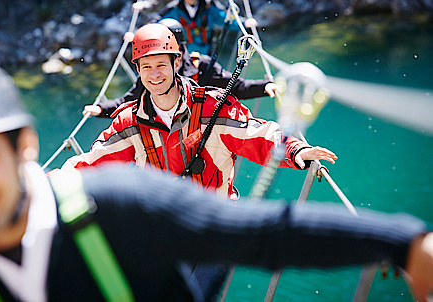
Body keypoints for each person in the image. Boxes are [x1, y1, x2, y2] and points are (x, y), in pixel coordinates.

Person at [0, 55, 432, 302]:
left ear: (25, 148)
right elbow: (102, 150)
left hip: (193, 209)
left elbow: (262, 232)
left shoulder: (121, 206)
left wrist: (402, 242)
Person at [65, 23, 336, 200]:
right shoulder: (130, 123)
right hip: (162, 229)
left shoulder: (212, 108)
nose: (155, 74)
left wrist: (295, 150)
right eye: (146, 67)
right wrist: (46, 186)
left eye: (161, 64)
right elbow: (92, 162)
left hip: (213, 224)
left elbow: (256, 134)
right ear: (138, 71)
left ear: (177, 62)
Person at [84, 18, 276, 118]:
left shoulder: (200, 65)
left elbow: (234, 87)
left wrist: (264, 87)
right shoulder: (153, 72)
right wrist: (101, 109)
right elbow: (130, 100)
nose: (156, 71)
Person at [160, 0, 250, 55]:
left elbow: (225, 19)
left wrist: (244, 23)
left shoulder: (208, 7)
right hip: (185, 58)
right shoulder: (174, 10)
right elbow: (159, 26)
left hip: (206, 56)